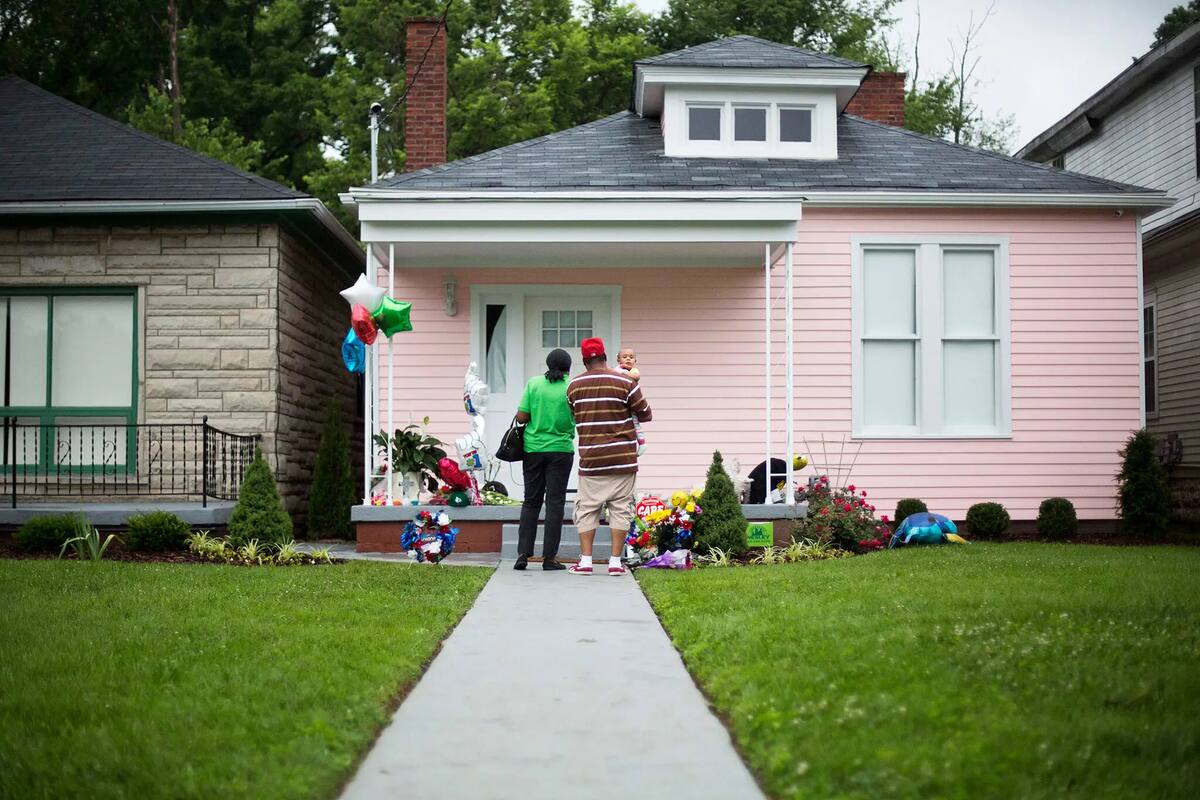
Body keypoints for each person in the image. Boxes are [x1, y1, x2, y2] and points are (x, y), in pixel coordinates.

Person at [566, 337, 652, 576]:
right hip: (623, 459)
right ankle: (615, 562)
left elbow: (574, 415)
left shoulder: (573, 386)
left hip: (591, 460)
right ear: (605, 357)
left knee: (587, 510)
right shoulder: (625, 382)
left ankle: (585, 561)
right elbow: (645, 414)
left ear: (584, 361)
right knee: (621, 509)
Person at [513, 348, 575, 571]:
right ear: (568, 367)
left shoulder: (534, 383)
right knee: (555, 503)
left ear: (548, 365)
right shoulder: (572, 386)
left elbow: (522, 416)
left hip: (533, 449)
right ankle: (549, 558)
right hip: (561, 450)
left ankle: (523, 554)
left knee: (531, 500)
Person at [616, 347, 647, 455]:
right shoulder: (617, 369)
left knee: (635, 422)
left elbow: (636, 376)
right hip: (621, 401)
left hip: (633, 401)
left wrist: (624, 373)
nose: (628, 359)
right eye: (624, 357)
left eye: (631, 357)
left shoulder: (633, 370)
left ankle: (642, 443)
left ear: (635, 360)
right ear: (618, 360)